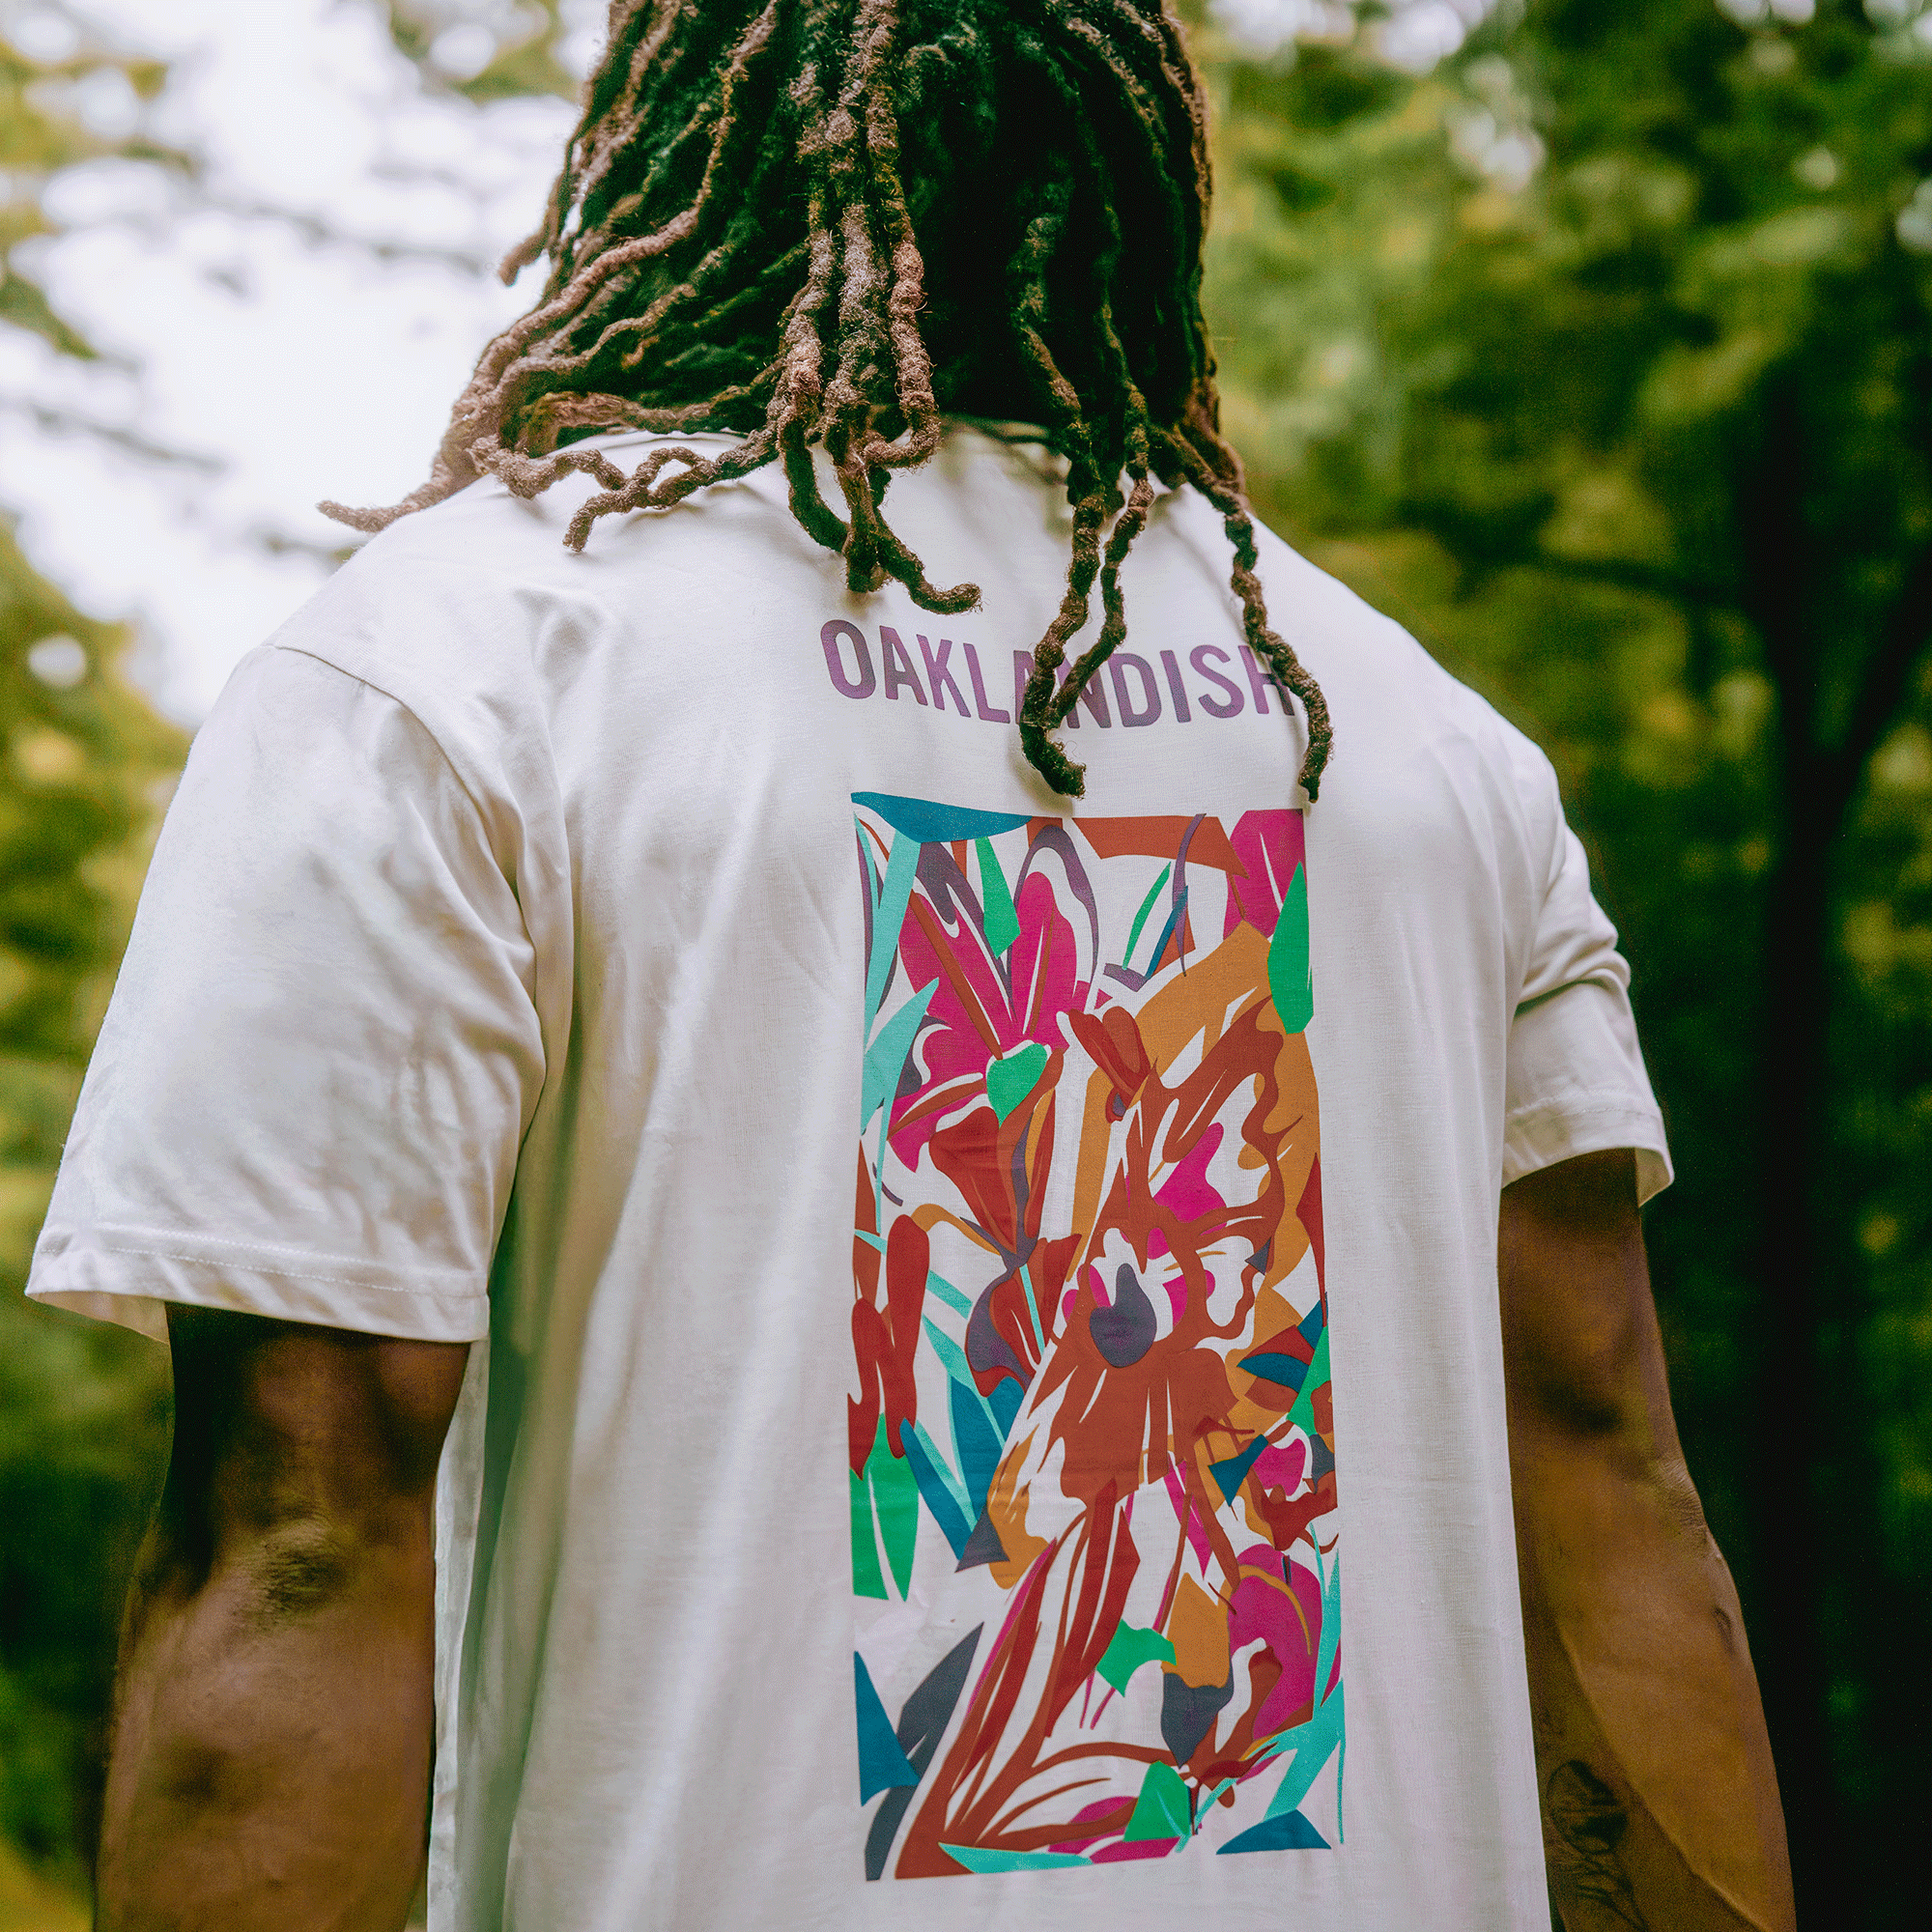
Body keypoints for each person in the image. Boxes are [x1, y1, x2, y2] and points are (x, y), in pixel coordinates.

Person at [27, 3, 1794, 1928]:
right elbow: (1614, 1505)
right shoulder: (1421, 744)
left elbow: (296, 1535)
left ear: (676, 122)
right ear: (1134, 150)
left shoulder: (456, 672)